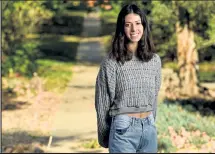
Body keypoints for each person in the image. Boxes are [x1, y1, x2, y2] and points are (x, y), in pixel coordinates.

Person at [95, 3, 161, 153]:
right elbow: (102, 103)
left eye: (137, 23)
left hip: (149, 127)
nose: (133, 29)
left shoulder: (154, 60)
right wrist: (104, 136)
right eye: (128, 25)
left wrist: (151, 123)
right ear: (121, 28)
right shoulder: (111, 62)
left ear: (144, 26)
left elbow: (154, 97)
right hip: (123, 130)